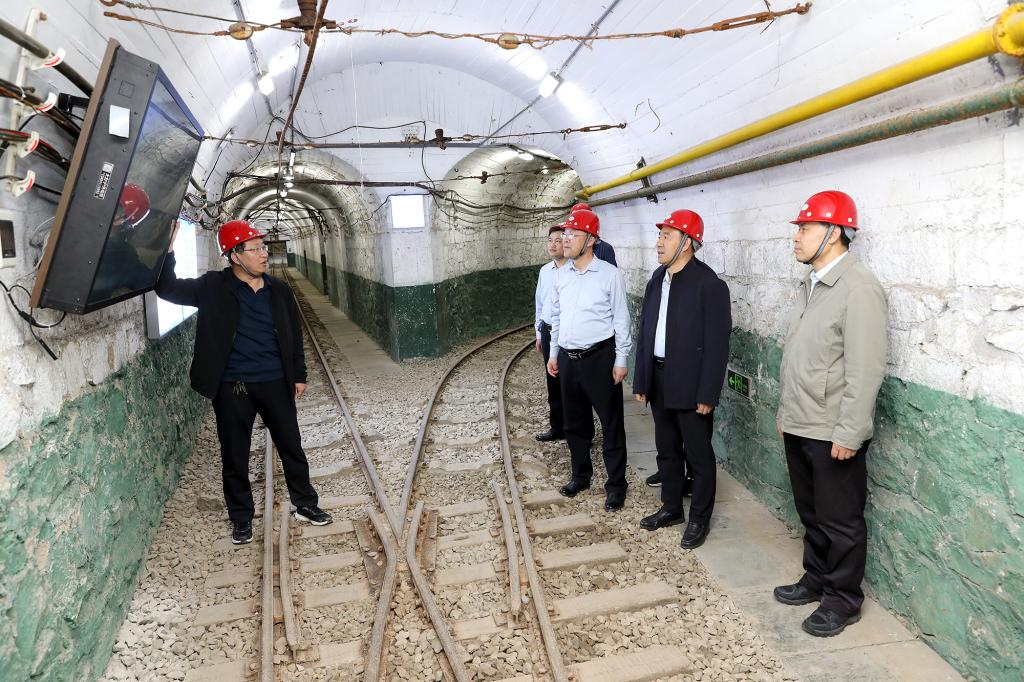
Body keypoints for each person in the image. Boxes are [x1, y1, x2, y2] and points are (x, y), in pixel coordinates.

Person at [155, 218, 333, 544]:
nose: (264, 254)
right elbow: (167, 289)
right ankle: (241, 518)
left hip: (275, 381)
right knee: (235, 455)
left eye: (263, 247)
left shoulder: (279, 291)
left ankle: (306, 504)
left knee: (292, 446)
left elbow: (293, 334)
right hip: (232, 387)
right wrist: (167, 249)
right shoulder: (212, 287)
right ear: (235, 256)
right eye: (255, 249)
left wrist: (299, 374)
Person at [773, 190, 887, 637]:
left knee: (841, 521)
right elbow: (799, 357)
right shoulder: (812, 284)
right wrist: (785, 411)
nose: (796, 237)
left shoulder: (859, 288)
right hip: (801, 421)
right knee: (811, 512)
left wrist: (850, 432)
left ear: (835, 232)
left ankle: (842, 599)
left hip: (833, 429)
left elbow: (865, 369)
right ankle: (817, 578)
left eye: (805, 228)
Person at [632, 210, 731, 548]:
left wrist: (708, 393)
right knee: (667, 449)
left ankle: (699, 519)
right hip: (659, 378)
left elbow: (717, 345)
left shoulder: (709, 285)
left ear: (687, 243)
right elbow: (646, 333)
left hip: (691, 384)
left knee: (699, 457)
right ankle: (671, 508)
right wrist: (642, 380)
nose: (659, 242)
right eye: (659, 235)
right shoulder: (656, 280)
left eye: (667, 236)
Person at [546, 209, 632, 511]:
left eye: (573, 234)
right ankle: (581, 476)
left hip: (599, 358)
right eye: (565, 234)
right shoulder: (561, 276)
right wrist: (554, 353)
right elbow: (557, 317)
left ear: (591, 239)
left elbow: (621, 319)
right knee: (574, 423)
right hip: (568, 359)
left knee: (611, 424)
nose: (566, 239)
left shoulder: (609, 275)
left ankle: (616, 486)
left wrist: (621, 359)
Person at [534, 223, 568, 442]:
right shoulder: (545, 271)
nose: (553, 245)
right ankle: (557, 428)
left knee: (571, 383)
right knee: (553, 381)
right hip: (547, 331)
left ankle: (576, 430)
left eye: (558, 240)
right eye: (550, 240)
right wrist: (539, 334)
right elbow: (540, 303)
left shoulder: (573, 270)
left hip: (567, 333)